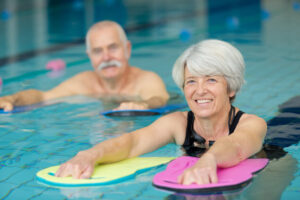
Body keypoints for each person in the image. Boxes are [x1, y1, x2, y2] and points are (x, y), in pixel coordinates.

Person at [55, 39, 267, 185]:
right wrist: (89, 156)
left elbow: (237, 147)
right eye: (191, 81)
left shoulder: (252, 124)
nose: (199, 90)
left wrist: (209, 160)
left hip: (261, 173)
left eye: (211, 79)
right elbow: (132, 143)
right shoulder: (178, 124)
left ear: (230, 88)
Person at [0, 21, 169, 111]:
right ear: (90, 57)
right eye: (97, 51)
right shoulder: (84, 82)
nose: (106, 57)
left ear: (128, 49)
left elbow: (158, 99)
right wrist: (11, 99)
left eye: (113, 47)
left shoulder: (146, 80)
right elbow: (43, 97)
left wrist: (143, 105)